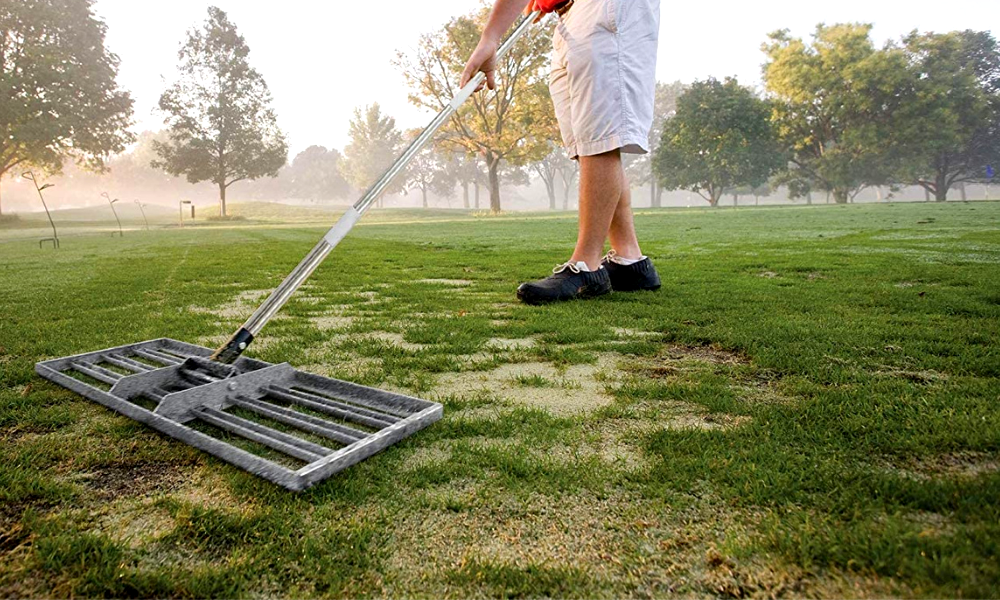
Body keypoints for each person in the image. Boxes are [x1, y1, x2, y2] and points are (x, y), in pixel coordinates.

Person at [461, 0, 662, 305]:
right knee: (587, 141)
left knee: (600, 133)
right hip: (569, 16)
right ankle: (629, 260)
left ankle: (587, 266)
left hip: (607, 8)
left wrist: (491, 36)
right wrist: (490, 36)